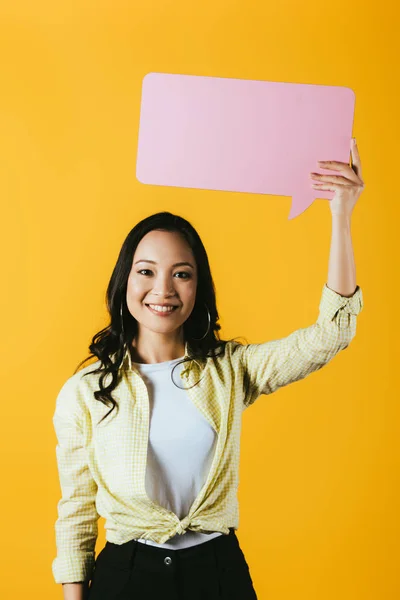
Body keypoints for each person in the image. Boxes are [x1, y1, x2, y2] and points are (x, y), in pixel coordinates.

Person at [51, 140, 366, 600]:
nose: (163, 289)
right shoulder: (85, 392)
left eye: (182, 273)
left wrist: (341, 215)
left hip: (216, 575)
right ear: (125, 281)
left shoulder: (230, 371)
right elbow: (76, 511)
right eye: (146, 271)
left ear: (198, 288)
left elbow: (331, 333)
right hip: (126, 577)